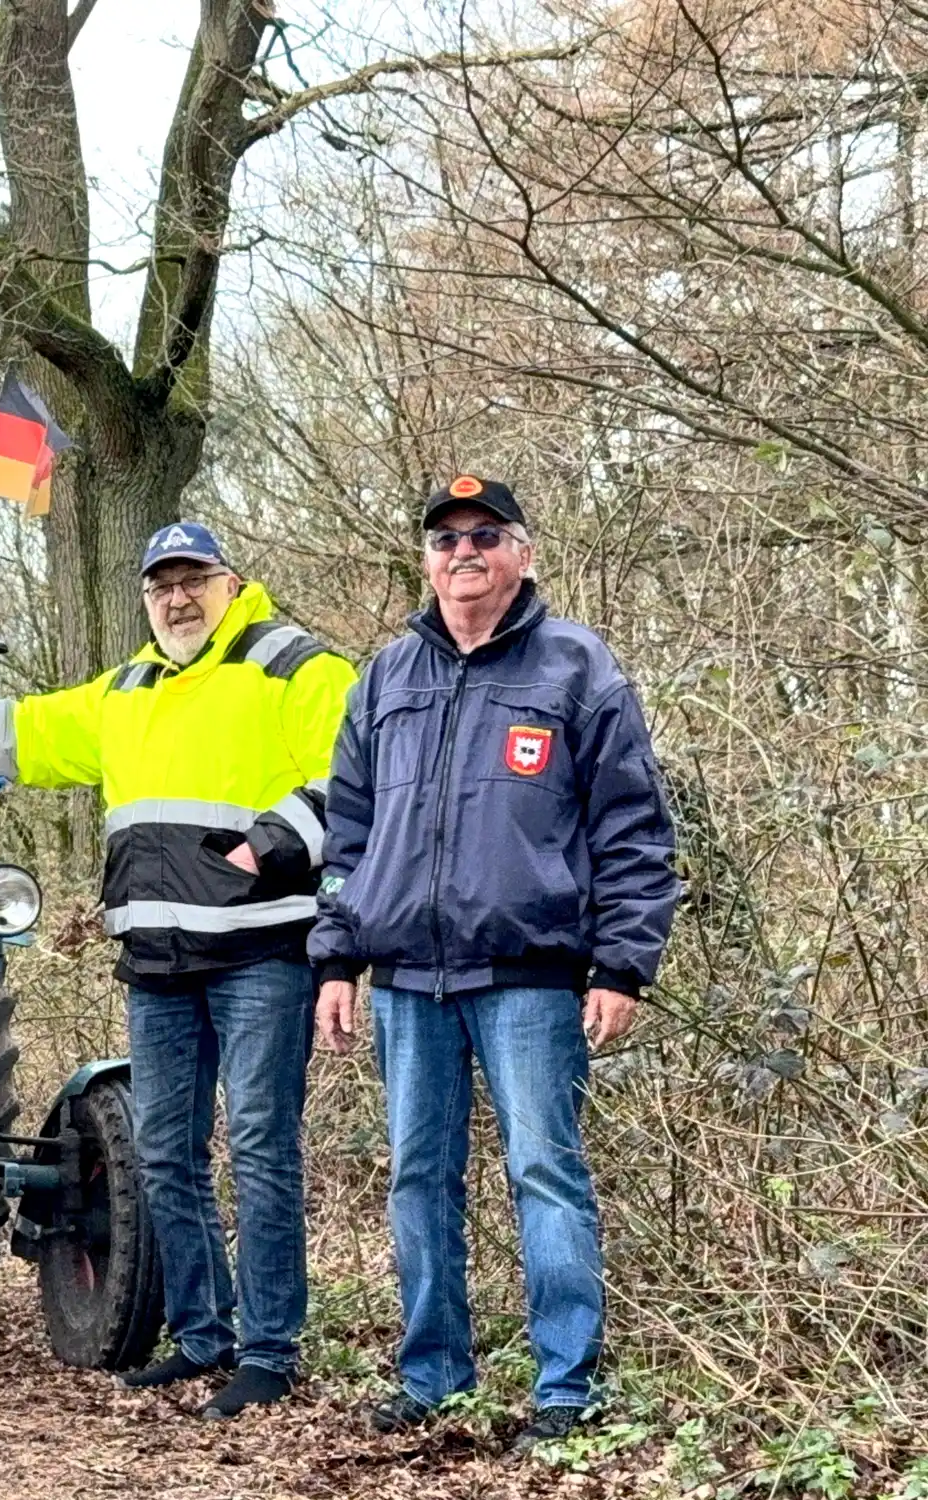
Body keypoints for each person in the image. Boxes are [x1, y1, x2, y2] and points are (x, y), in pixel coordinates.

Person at [0, 522, 355, 1419]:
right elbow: (26, 730)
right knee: (165, 1155)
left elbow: (352, 780)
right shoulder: (128, 688)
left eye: (193, 580)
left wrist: (266, 847)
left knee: (262, 1149)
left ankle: (268, 1352)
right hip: (158, 964)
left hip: (261, 953)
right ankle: (202, 1338)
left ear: (230, 583)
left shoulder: (296, 667)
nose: (177, 599)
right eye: (161, 586)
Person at [309, 476, 678, 1455]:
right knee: (416, 1179)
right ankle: (432, 1375)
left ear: (522, 553)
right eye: (445, 539)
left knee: (544, 1173)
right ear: (425, 561)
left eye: (484, 535)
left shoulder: (576, 668)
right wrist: (335, 958)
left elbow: (633, 829)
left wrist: (621, 965)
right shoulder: (384, 678)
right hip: (405, 981)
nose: (462, 551)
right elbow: (348, 834)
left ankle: (566, 1387)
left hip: (530, 975)